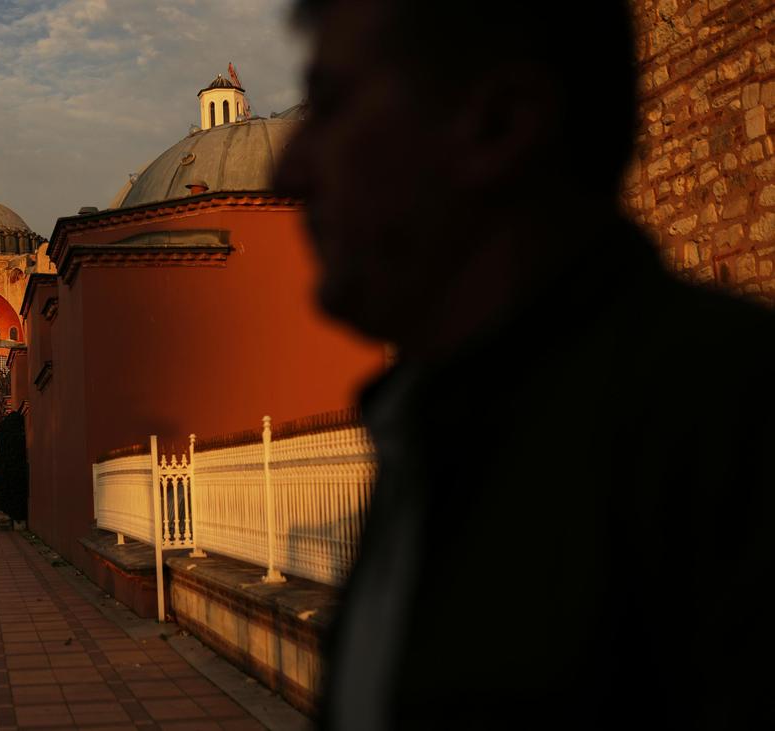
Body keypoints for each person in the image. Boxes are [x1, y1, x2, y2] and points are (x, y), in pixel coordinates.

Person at [277, 1, 775, 727]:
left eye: (332, 103)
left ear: (499, 123)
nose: (287, 171)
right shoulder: (432, 428)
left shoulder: (728, 431)